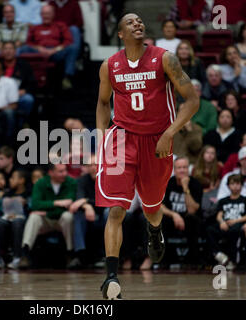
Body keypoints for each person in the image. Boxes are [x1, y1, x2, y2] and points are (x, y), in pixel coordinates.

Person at [95, 13, 199, 299]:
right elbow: (103, 104)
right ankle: (112, 277)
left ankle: (155, 230)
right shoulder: (110, 66)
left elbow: (192, 100)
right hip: (122, 138)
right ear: (120, 34)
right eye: (130, 22)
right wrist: (102, 137)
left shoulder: (166, 58)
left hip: (157, 141)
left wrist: (170, 132)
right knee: (116, 208)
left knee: (153, 207)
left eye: (140, 21)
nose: (138, 24)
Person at [21, 163, 76, 268]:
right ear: (51, 173)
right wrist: (57, 203)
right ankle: (25, 253)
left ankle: (70, 254)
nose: (64, 173)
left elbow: (69, 204)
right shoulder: (41, 183)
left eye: (65, 170)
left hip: (61, 220)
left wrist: (47, 210)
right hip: (46, 222)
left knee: (68, 216)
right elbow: (35, 205)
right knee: (34, 217)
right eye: (60, 171)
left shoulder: (71, 182)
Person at [20, 4, 78, 90]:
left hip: (56, 52)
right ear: (40, 15)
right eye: (43, 14)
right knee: (23, 49)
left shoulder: (60, 25)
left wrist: (55, 50)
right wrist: (39, 48)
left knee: (72, 48)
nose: (46, 16)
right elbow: (29, 43)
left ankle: (67, 77)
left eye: (48, 13)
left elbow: (68, 41)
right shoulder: (35, 28)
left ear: (53, 14)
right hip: (39, 53)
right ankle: (21, 78)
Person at [161, 157, 203, 264]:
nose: (182, 170)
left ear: (188, 169)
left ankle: (193, 260)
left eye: (185, 167)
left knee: (192, 219)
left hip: (190, 221)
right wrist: (174, 215)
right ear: (174, 170)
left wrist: (185, 188)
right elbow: (160, 205)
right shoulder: (168, 183)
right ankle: (164, 260)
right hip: (173, 219)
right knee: (160, 220)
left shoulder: (196, 184)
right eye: (179, 168)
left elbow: (192, 210)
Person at [68, 155, 106, 269]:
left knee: (108, 213)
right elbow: (78, 199)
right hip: (88, 215)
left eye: (96, 165)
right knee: (78, 215)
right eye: (90, 165)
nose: (93, 168)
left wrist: (86, 201)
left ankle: (105, 255)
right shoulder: (82, 180)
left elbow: (106, 201)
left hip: (104, 212)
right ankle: (80, 254)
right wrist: (86, 206)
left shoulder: (107, 179)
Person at [206, 174, 246, 270]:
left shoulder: (245, 200)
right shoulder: (223, 201)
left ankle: (232, 260)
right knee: (210, 229)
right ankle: (218, 254)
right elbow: (219, 215)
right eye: (232, 184)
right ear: (228, 186)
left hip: (238, 223)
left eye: (238, 184)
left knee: (234, 231)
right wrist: (222, 222)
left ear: (242, 185)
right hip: (225, 223)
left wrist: (236, 221)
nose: (235, 186)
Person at [0, 169, 30, 269]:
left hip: (22, 219)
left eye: (13, 178)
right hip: (7, 218)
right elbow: (1, 209)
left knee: (17, 222)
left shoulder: (28, 193)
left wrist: (25, 203)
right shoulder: (7, 193)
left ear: (21, 180)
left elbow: (31, 207)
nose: (10, 180)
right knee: (0, 222)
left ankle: (17, 257)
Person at [1, 41, 36, 129]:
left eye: (10, 49)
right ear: (2, 52)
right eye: (5, 49)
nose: (8, 51)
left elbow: (32, 83)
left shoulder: (24, 65)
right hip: (1, 96)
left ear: (15, 51)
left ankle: (23, 122)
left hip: (18, 96)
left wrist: (24, 91)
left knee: (28, 99)